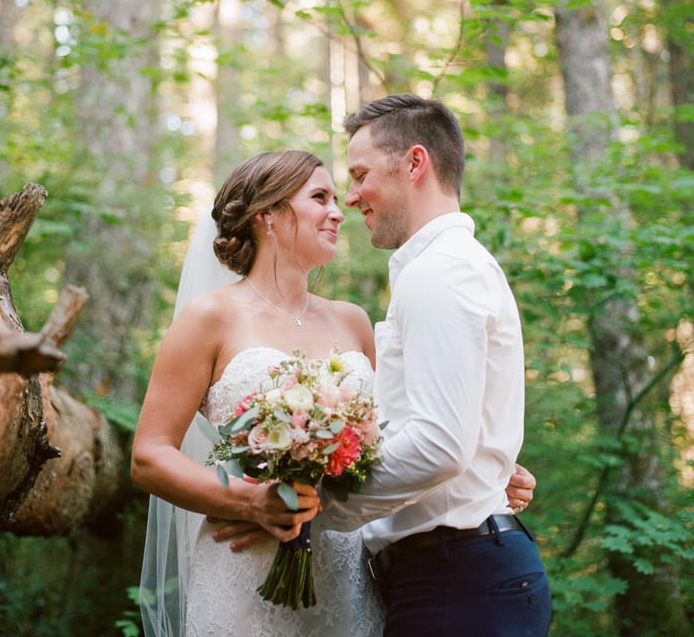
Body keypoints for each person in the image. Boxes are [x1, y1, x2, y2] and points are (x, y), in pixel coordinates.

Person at [132, 148, 537, 637]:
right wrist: (248, 501)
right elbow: (150, 455)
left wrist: (482, 470)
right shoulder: (210, 318)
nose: (338, 211)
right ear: (269, 215)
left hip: (346, 574)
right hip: (246, 569)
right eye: (319, 197)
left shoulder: (353, 320)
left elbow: (397, 437)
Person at [316, 94, 552, 637]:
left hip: (458, 581)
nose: (350, 198)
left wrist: (316, 507)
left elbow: (439, 443)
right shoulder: (446, 267)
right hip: (458, 573)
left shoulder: (440, 272)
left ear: (415, 163)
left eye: (359, 175)